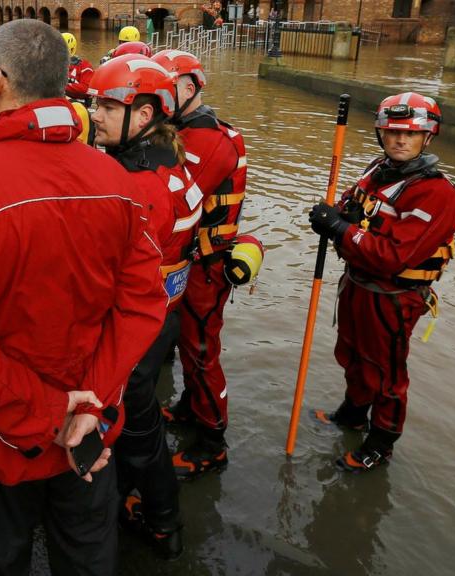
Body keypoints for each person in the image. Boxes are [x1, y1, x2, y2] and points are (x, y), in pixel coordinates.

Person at [0, 20, 167, 575]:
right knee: (86, 558)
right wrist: (88, 405)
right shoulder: (118, 180)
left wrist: (52, 417)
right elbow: (143, 305)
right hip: (89, 434)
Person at [308, 92, 455, 472]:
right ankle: (353, 413)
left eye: (410, 134)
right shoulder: (377, 170)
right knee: (350, 352)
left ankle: (381, 441)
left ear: (428, 137)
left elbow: (393, 255)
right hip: (357, 285)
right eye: (393, 132)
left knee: (387, 372)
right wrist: (331, 216)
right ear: (382, 134)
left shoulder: (437, 194)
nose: (400, 140)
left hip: (394, 296)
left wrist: (340, 228)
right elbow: (350, 203)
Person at [89, 53, 200, 559]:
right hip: (165, 314)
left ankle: (162, 523)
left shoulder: (140, 186)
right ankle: (153, 511)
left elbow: (110, 271)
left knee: (136, 426)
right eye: (95, 103)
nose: (95, 114)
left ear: (145, 114)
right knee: (143, 417)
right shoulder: (170, 163)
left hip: (137, 323)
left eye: (109, 107)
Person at [151, 49, 254, 479]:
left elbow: (177, 200)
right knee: (184, 343)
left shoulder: (210, 140)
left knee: (200, 350)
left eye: (164, 90)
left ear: (189, 89)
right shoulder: (180, 130)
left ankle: (214, 441)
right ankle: (191, 407)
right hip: (186, 265)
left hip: (205, 267)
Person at [61, 32, 93, 104]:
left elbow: (87, 89)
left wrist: (62, 86)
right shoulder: (52, 65)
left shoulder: (84, 66)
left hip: (77, 104)